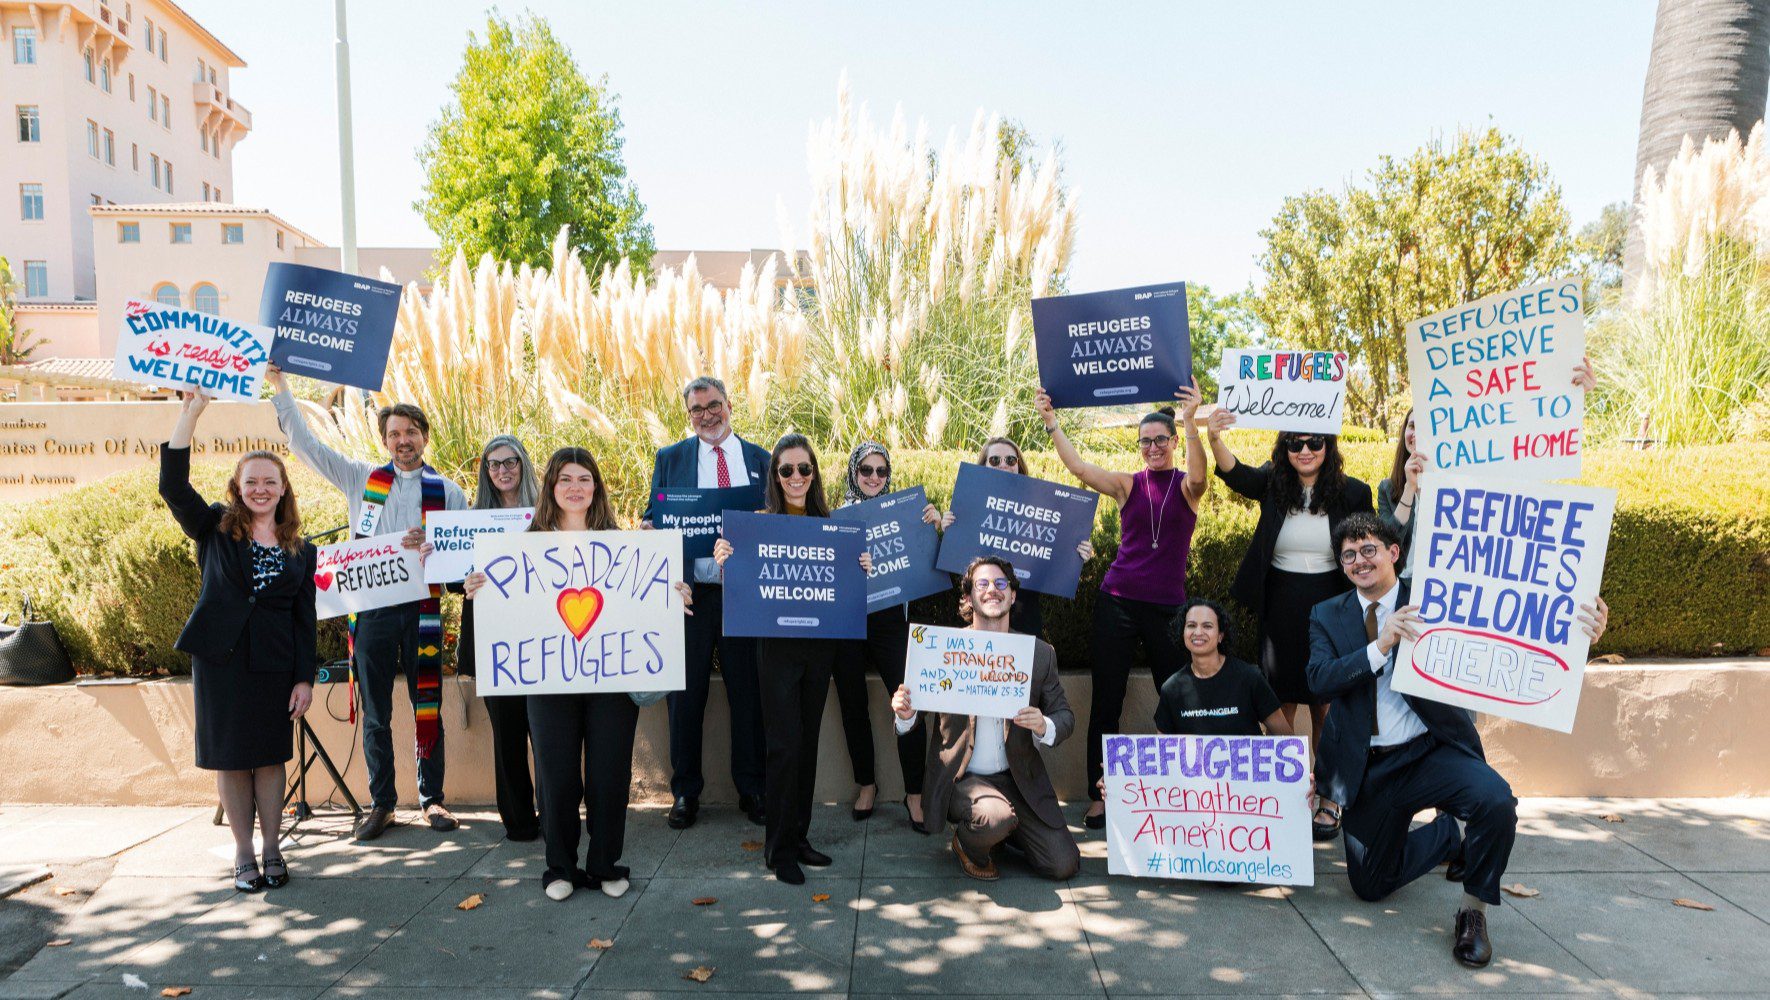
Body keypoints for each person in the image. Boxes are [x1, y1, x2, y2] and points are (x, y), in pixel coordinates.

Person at [1307, 514, 1608, 967]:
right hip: (1368, 768)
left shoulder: (1439, 597)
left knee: (1496, 801)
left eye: (1368, 549)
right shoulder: (1326, 614)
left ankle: (1474, 912)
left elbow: (1514, 625)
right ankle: (1447, 836)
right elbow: (1318, 680)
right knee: (1369, 886)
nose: (1358, 561)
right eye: (1348, 555)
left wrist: (1577, 632)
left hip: (1431, 751)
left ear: (1394, 552)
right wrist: (1380, 646)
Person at [465, 447, 695, 901]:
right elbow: (507, 608)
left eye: (584, 478)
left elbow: (646, 599)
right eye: (565, 478)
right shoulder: (525, 545)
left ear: (596, 487)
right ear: (551, 486)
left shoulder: (623, 544)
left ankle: (607, 862)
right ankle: (561, 868)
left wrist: (675, 594)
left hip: (611, 681)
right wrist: (478, 590)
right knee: (558, 776)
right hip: (548, 681)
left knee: (609, 775)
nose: (575, 487)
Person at [268, 365, 468, 841]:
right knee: (376, 711)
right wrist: (281, 389)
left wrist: (435, 547)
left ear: (424, 438)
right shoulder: (361, 479)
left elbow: (464, 557)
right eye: (395, 433)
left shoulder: (449, 493)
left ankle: (431, 799)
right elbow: (306, 447)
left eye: (412, 432)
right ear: (384, 440)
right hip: (374, 613)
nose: (404, 440)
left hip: (422, 611)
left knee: (427, 704)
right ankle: (382, 803)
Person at [159, 392, 316, 892]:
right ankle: (243, 855)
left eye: (271, 481)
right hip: (221, 664)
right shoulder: (214, 529)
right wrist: (191, 412)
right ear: (238, 487)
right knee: (230, 759)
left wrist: (304, 678)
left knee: (270, 758)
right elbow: (172, 485)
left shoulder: (302, 550)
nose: (261, 489)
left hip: (274, 666)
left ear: (283, 488)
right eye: (252, 481)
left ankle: (273, 850)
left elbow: (304, 619)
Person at [1037, 383, 1207, 830]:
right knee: (1106, 700)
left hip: (1169, 608)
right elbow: (1077, 467)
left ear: (1171, 442)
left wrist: (1191, 424)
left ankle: (1178, 788)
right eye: (1145, 440)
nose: (1152, 447)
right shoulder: (1127, 485)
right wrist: (1052, 422)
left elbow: (1201, 474)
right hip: (1116, 603)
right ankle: (1101, 794)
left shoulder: (1187, 488)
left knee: (1175, 698)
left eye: (1160, 439)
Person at [713, 434, 871, 884]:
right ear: (775, 477)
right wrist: (726, 558)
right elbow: (740, 585)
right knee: (782, 745)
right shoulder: (760, 524)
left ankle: (800, 837)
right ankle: (777, 848)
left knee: (807, 743)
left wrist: (862, 565)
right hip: (776, 646)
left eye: (805, 469)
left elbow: (845, 584)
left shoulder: (831, 524)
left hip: (820, 646)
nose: (797, 477)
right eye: (787, 470)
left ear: (815, 474)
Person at [1206, 413, 1372, 840]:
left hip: (1333, 604)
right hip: (1280, 603)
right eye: (1295, 444)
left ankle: (1330, 798)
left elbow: (1374, 543)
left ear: (1327, 446)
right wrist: (1213, 435)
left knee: (1326, 704)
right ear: (1284, 448)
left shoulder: (1353, 492)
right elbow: (1233, 473)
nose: (1304, 451)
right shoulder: (1273, 483)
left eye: (1314, 442)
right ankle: (1281, 796)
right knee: (1280, 706)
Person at [890, 556, 1080, 882]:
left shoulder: (1038, 654)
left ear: (1013, 595)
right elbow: (912, 715)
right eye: (982, 584)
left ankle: (1007, 832)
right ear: (968, 598)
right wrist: (905, 715)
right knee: (994, 818)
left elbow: (1065, 716)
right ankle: (971, 843)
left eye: (1001, 584)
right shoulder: (942, 650)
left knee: (1063, 864)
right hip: (964, 779)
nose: (992, 590)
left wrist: (1043, 725)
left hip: (1018, 778)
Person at [640, 375, 770, 831]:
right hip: (689, 595)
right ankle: (684, 792)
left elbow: (776, 520)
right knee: (685, 696)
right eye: (697, 410)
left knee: (747, 694)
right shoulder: (670, 458)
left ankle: (752, 789)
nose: (707, 416)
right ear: (688, 415)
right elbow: (652, 517)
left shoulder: (759, 459)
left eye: (714, 405)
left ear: (730, 404)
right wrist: (648, 530)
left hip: (742, 597)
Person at [1380, 357, 1597, 578]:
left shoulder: (1466, 480)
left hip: (1452, 588)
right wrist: (1410, 488)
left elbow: (1524, 448)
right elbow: (1387, 545)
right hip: (1405, 594)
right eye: (1412, 426)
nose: (1417, 434)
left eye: (1425, 426)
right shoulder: (1388, 489)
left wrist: (1574, 395)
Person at [830, 442, 939, 832]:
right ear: (853, 473)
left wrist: (934, 524)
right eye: (866, 470)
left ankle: (914, 793)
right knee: (851, 702)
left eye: (881, 471)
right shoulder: (838, 515)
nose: (874, 478)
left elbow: (931, 560)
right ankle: (867, 785)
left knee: (909, 699)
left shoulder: (904, 514)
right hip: (847, 620)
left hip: (889, 620)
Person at [449, 435, 542, 841]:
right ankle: (519, 821)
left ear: (524, 465)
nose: (503, 471)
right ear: (486, 472)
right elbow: (453, 576)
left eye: (511, 462)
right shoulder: (471, 520)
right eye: (494, 464)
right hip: (494, 640)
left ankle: (558, 812)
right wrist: (463, 581)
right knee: (506, 735)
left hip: (542, 637)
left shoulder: (545, 515)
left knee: (547, 732)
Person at [941, 437, 1094, 639]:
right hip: (980, 613)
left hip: (1025, 613)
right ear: (983, 465)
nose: (1003, 465)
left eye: (1011, 460)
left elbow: (1053, 555)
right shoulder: (967, 506)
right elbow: (957, 564)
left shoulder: (1041, 506)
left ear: (1019, 466)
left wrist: (1077, 553)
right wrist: (948, 531)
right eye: (995, 460)